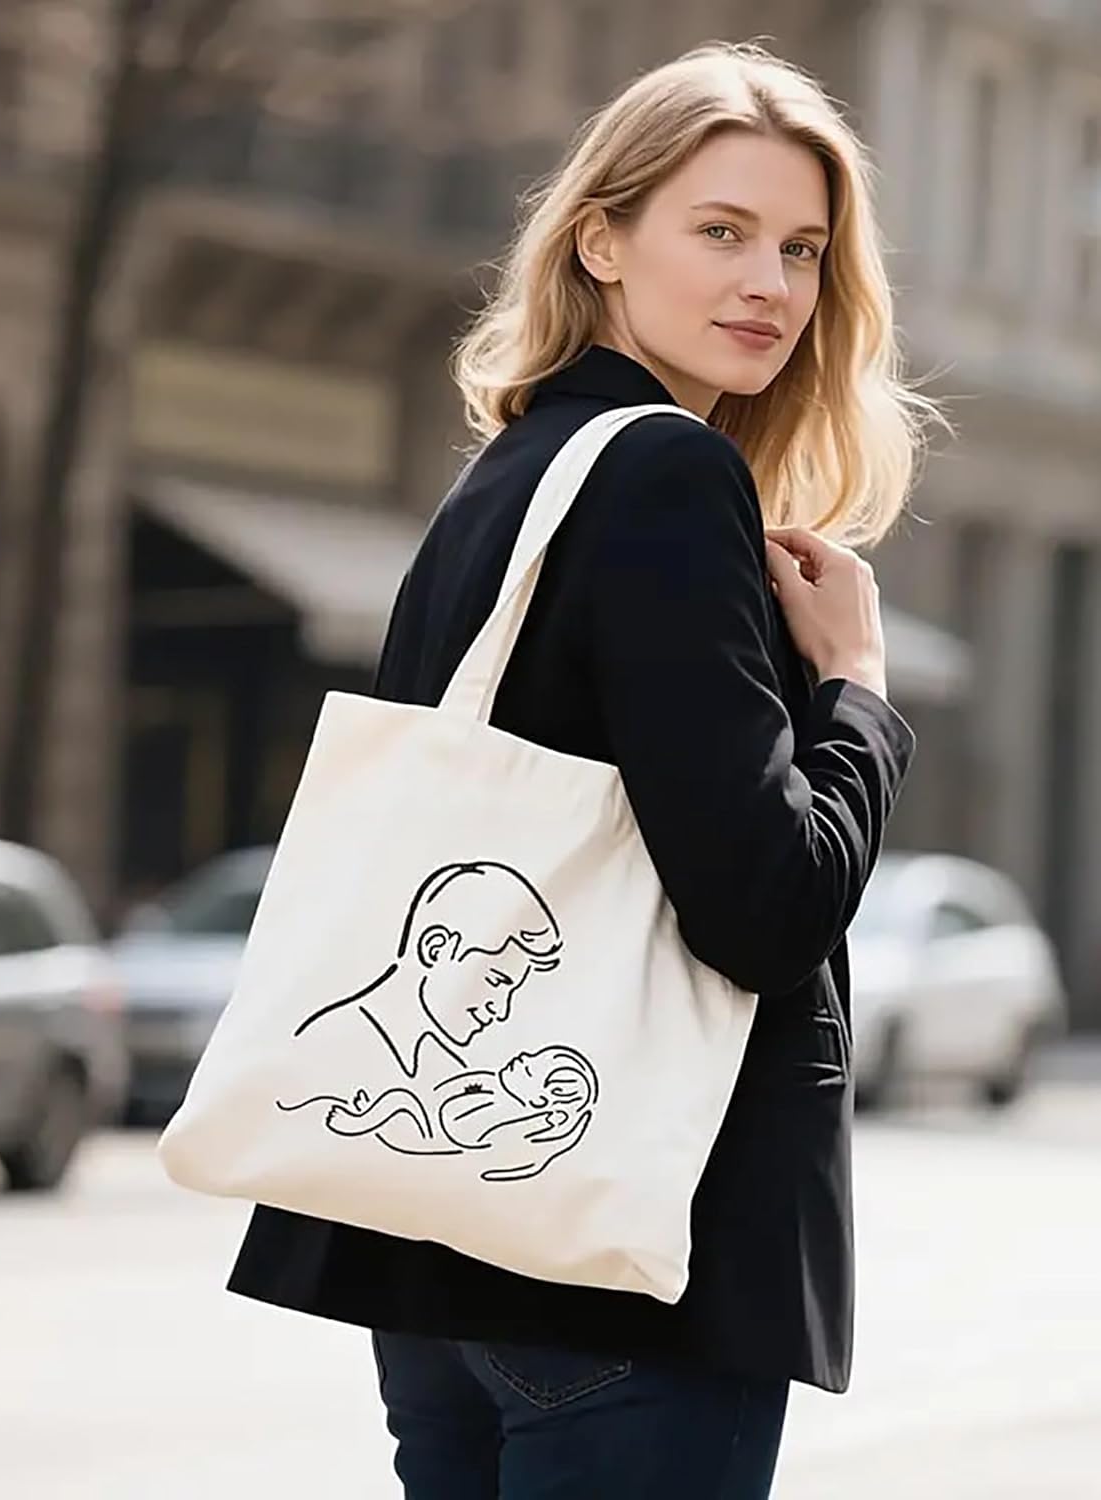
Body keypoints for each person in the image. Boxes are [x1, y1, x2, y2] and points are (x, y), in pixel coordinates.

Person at [226, 43, 931, 1499]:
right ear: (602, 237)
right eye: (720, 232)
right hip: (620, 1263)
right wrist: (857, 694)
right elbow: (764, 905)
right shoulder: (670, 477)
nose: (773, 288)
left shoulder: (512, 472)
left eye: (802, 250)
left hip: (443, 1251)